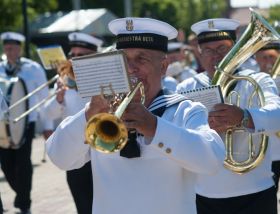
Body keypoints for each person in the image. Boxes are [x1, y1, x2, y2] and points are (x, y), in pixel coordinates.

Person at [46, 17, 225, 214]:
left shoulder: (185, 111)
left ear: (163, 66)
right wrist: (87, 116)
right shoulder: (102, 112)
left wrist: (154, 126)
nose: (130, 69)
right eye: (123, 60)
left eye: (141, 59)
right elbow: (58, 157)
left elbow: (212, 160)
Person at [177, 18, 280, 214]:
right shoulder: (186, 88)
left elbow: (278, 116)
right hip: (205, 196)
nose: (216, 56)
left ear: (235, 50)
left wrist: (243, 117)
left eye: (222, 49)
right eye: (208, 50)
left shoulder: (257, 80)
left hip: (257, 194)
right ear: (200, 53)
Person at [45, 32, 103, 214]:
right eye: (73, 55)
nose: (75, 60)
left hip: (103, 154)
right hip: (75, 154)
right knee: (83, 207)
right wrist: (58, 100)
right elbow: (47, 113)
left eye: (82, 56)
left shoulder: (106, 79)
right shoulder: (63, 81)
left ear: (94, 56)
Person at [0, 32, 53, 214]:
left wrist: (47, 126)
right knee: (6, 164)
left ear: (20, 49)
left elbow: (45, 98)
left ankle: (24, 203)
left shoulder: (33, 68)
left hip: (26, 123)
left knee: (23, 163)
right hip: (3, 125)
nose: (9, 51)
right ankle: (20, 193)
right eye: (6, 48)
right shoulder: (0, 68)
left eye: (13, 48)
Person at [255, 42, 280, 190]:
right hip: (267, 153)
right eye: (264, 57)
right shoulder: (251, 82)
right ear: (256, 59)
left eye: (272, 57)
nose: (268, 62)